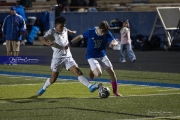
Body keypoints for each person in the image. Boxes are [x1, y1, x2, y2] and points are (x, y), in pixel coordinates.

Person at [37, 16, 102, 96]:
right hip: (57, 59)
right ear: (57, 25)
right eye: (61, 26)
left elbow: (67, 30)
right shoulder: (51, 32)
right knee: (53, 79)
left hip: (68, 57)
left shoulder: (64, 29)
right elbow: (42, 40)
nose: (63, 27)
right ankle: (43, 88)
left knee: (78, 71)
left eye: (64, 25)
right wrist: (48, 43)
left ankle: (90, 86)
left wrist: (72, 32)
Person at [69, 21, 122, 97]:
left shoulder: (107, 32)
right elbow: (80, 36)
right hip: (92, 56)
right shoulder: (91, 31)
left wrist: (113, 43)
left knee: (112, 73)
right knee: (98, 74)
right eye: (102, 31)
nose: (103, 33)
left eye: (105, 32)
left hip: (102, 55)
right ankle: (92, 69)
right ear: (99, 28)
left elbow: (114, 40)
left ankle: (115, 92)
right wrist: (70, 42)